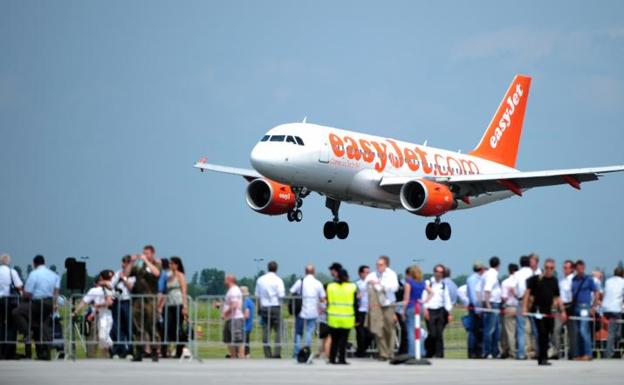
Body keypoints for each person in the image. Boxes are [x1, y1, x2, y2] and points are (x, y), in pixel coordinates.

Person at [12, 255, 59, 360]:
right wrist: (55, 304)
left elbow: (27, 293)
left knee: (17, 312)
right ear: (44, 262)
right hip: (50, 303)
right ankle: (45, 354)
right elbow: (56, 291)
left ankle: (28, 333)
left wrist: (23, 297)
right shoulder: (54, 275)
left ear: (34, 263)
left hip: (37, 303)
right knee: (43, 325)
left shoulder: (34, 274)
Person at [522, 258, 567, 366]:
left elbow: (557, 297)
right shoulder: (536, 279)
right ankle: (542, 358)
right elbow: (527, 293)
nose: (549, 270)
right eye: (547, 268)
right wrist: (525, 308)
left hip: (549, 311)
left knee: (547, 333)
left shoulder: (554, 281)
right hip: (537, 310)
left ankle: (544, 356)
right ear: (544, 268)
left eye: (551, 268)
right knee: (542, 332)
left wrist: (563, 311)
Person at [129, 245, 161, 362]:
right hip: (138, 300)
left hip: (150, 300)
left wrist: (146, 260)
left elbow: (156, 273)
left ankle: (154, 351)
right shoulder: (139, 267)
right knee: (137, 327)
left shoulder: (157, 264)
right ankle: (139, 352)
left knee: (151, 326)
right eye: (144, 253)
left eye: (147, 253)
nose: (144, 255)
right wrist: (131, 262)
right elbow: (126, 274)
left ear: (152, 253)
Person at [72, 270, 115, 357]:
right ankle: (96, 355)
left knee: (104, 337)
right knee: (99, 338)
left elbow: (83, 302)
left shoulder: (112, 289)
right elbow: (84, 302)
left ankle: (110, 352)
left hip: (108, 316)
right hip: (99, 317)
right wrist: (76, 312)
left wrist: (75, 312)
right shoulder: (95, 290)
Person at [364, 255, 399, 361]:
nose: (378, 266)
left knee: (389, 329)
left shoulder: (391, 274)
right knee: (378, 329)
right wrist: (370, 284)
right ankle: (383, 353)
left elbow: (395, 287)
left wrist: (381, 285)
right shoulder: (372, 275)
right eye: (377, 264)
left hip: (388, 304)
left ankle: (390, 352)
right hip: (376, 306)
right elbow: (365, 285)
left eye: (381, 264)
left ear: (386, 265)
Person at [289, 264, 325, 358]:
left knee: (298, 332)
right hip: (313, 311)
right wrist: (321, 307)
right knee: (309, 332)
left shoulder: (300, 282)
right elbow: (323, 298)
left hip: (301, 311)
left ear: (305, 271)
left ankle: (296, 353)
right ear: (314, 272)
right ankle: (306, 351)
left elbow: (292, 291)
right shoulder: (318, 283)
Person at [255, 260, 285, 358]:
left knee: (266, 332)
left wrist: (258, 308)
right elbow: (281, 295)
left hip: (264, 308)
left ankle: (267, 354)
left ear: (268, 268)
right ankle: (277, 353)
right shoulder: (278, 280)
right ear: (276, 269)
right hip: (275, 307)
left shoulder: (260, 280)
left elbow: (257, 296)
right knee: (279, 331)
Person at [326, 268, 357, 365]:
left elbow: (327, 300)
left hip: (333, 318)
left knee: (334, 340)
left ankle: (332, 359)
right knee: (343, 341)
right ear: (347, 277)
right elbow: (355, 304)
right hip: (346, 318)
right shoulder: (351, 287)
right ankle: (342, 359)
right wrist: (357, 317)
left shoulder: (330, 286)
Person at [571, 260, 600, 361]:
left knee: (584, 330)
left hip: (585, 307)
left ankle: (588, 353)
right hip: (576, 307)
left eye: (582, 268)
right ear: (575, 269)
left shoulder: (589, 280)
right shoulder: (574, 279)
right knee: (578, 331)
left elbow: (596, 292)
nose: (580, 270)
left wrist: (593, 307)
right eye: (578, 268)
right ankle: (580, 353)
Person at [424, 264, 453, 358]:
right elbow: (424, 297)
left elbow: (447, 300)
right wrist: (425, 309)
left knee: (439, 333)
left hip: (440, 310)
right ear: (434, 272)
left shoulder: (444, 285)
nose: (439, 274)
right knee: (432, 333)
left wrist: (449, 313)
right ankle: (429, 351)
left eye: (441, 272)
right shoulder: (428, 283)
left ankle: (439, 354)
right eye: (437, 271)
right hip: (430, 310)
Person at [401, 265, 430, 359]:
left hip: (411, 306)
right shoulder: (423, 283)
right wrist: (425, 301)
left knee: (411, 331)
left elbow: (406, 298)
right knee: (419, 330)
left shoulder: (409, 283)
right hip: (419, 306)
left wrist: (403, 311)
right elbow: (432, 292)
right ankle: (421, 351)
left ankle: (412, 352)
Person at [163, 256, 188, 358]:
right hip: (169, 303)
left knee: (179, 327)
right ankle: (167, 349)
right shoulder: (168, 276)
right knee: (168, 326)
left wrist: (185, 306)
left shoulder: (180, 275)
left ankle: (179, 350)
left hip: (178, 302)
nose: (170, 265)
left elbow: (184, 290)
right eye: (169, 263)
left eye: (172, 263)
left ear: (177, 265)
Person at [110, 255, 135, 358]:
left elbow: (131, 288)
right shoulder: (117, 273)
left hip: (128, 301)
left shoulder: (133, 275)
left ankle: (130, 350)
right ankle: (120, 349)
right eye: (122, 262)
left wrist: (124, 279)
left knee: (129, 327)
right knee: (117, 326)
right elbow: (111, 285)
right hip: (118, 301)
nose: (123, 264)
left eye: (125, 262)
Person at [0, 254, 23, 359]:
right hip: (9, 301)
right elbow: (19, 286)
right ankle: (9, 350)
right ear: (8, 262)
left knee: (1, 326)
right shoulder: (11, 272)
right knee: (11, 326)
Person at [552, 260, 576, 359]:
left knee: (572, 332)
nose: (564, 269)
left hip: (571, 306)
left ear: (571, 269)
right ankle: (556, 352)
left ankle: (572, 353)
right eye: (563, 267)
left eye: (566, 268)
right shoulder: (561, 280)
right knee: (556, 330)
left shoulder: (574, 280)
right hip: (560, 307)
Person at [601, 266, 624, 358]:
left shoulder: (608, 281)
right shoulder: (623, 282)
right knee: (613, 333)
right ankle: (609, 353)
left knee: (609, 331)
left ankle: (610, 350)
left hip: (606, 308)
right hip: (616, 309)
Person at [482, 256, 502, 359]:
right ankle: (488, 351)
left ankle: (495, 351)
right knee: (490, 329)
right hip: (492, 303)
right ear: (498, 264)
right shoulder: (492, 274)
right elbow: (487, 289)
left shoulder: (488, 273)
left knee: (496, 329)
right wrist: (488, 304)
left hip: (494, 303)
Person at [514, 255, 533, 359]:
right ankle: (536, 351)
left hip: (521, 300)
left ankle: (521, 353)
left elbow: (515, 288)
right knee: (535, 328)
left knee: (521, 329)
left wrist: (517, 295)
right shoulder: (532, 272)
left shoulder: (517, 274)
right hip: (532, 301)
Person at [222, 274, 245, 358]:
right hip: (230, 318)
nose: (224, 281)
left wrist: (225, 313)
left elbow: (234, 305)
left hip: (235, 318)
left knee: (238, 340)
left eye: (225, 279)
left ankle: (241, 357)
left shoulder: (234, 290)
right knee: (229, 340)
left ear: (229, 280)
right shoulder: (231, 290)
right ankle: (233, 356)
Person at [466, 262, 485, 358]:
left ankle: (477, 351)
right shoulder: (474, 279)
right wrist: (478, 310)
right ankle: (473, 352)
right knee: (474, 330)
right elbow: (474, 296)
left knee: (477, 330)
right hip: (476, 307)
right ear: (481, 269)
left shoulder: (473, 279)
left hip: (476, 306)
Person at [500, 263, 518, 359]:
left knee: (510, 332)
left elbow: (504, 297)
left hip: (509, 307)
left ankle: (512, 352)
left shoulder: (505, 282)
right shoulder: (520, 282)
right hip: (519, 307)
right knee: (520, 331)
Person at [354, 265, 372, 357]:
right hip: (360, 311)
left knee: (370, 334)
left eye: (369, 272)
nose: (368, 274)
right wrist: (357, 296)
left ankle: (361, 350)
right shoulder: (356, 284)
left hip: (370, 311)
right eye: (366, 272)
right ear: (360, 273)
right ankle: (361, 352)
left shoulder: (372, 283)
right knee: (360, 333)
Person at [241, 286, 255, 358]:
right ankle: (247, 356)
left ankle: (243, 357)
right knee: (247, 344)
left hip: (244, 326)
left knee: (243, 343)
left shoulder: (245, 302)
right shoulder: (251, 302)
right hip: (249, 326)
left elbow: (246, 315)